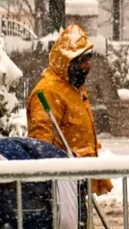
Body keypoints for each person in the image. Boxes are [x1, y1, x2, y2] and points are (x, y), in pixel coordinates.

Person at [27, 24, 112, 196]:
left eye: (89, 60)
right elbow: (40, 144)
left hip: (79, 180)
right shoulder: (49, 92)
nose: (87, 66)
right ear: (67, 61)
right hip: (63, 185)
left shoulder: (74, 87)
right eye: (82, 61)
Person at [0, 137, 79, 229]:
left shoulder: (49, 156)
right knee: (25, 217)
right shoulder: (66, 170)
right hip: (7, 163)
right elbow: (67, 220)